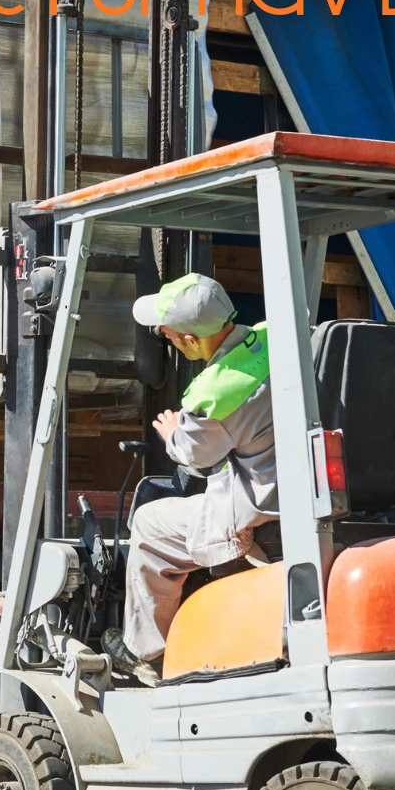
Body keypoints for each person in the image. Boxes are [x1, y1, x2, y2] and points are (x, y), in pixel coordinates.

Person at [102, 273, 278, 684]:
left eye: (168, 334)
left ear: (190, 340)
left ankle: (147, 653)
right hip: (309, 487)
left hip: (264, 506)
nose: (166, 338)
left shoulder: (215, 392)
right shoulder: (276, 336)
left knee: (150, 522)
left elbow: (196, 458)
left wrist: (172, 433)